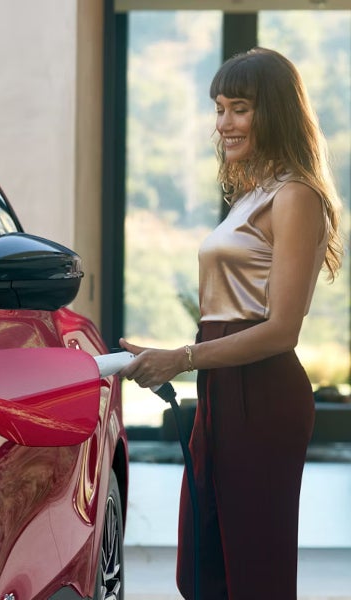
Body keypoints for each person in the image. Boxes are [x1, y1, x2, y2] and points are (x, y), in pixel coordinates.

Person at [119, 47, 344, 600]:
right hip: (224, 384)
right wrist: (173, 354)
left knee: (252, 569)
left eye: (239, 108)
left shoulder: (295, 197)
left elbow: (280, 330)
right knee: (204, 564)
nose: (224, 124)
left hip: (263, 390)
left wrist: (184, 359)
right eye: (219, 108)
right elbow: (223, 315)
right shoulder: (251, 195)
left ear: (274, 112)